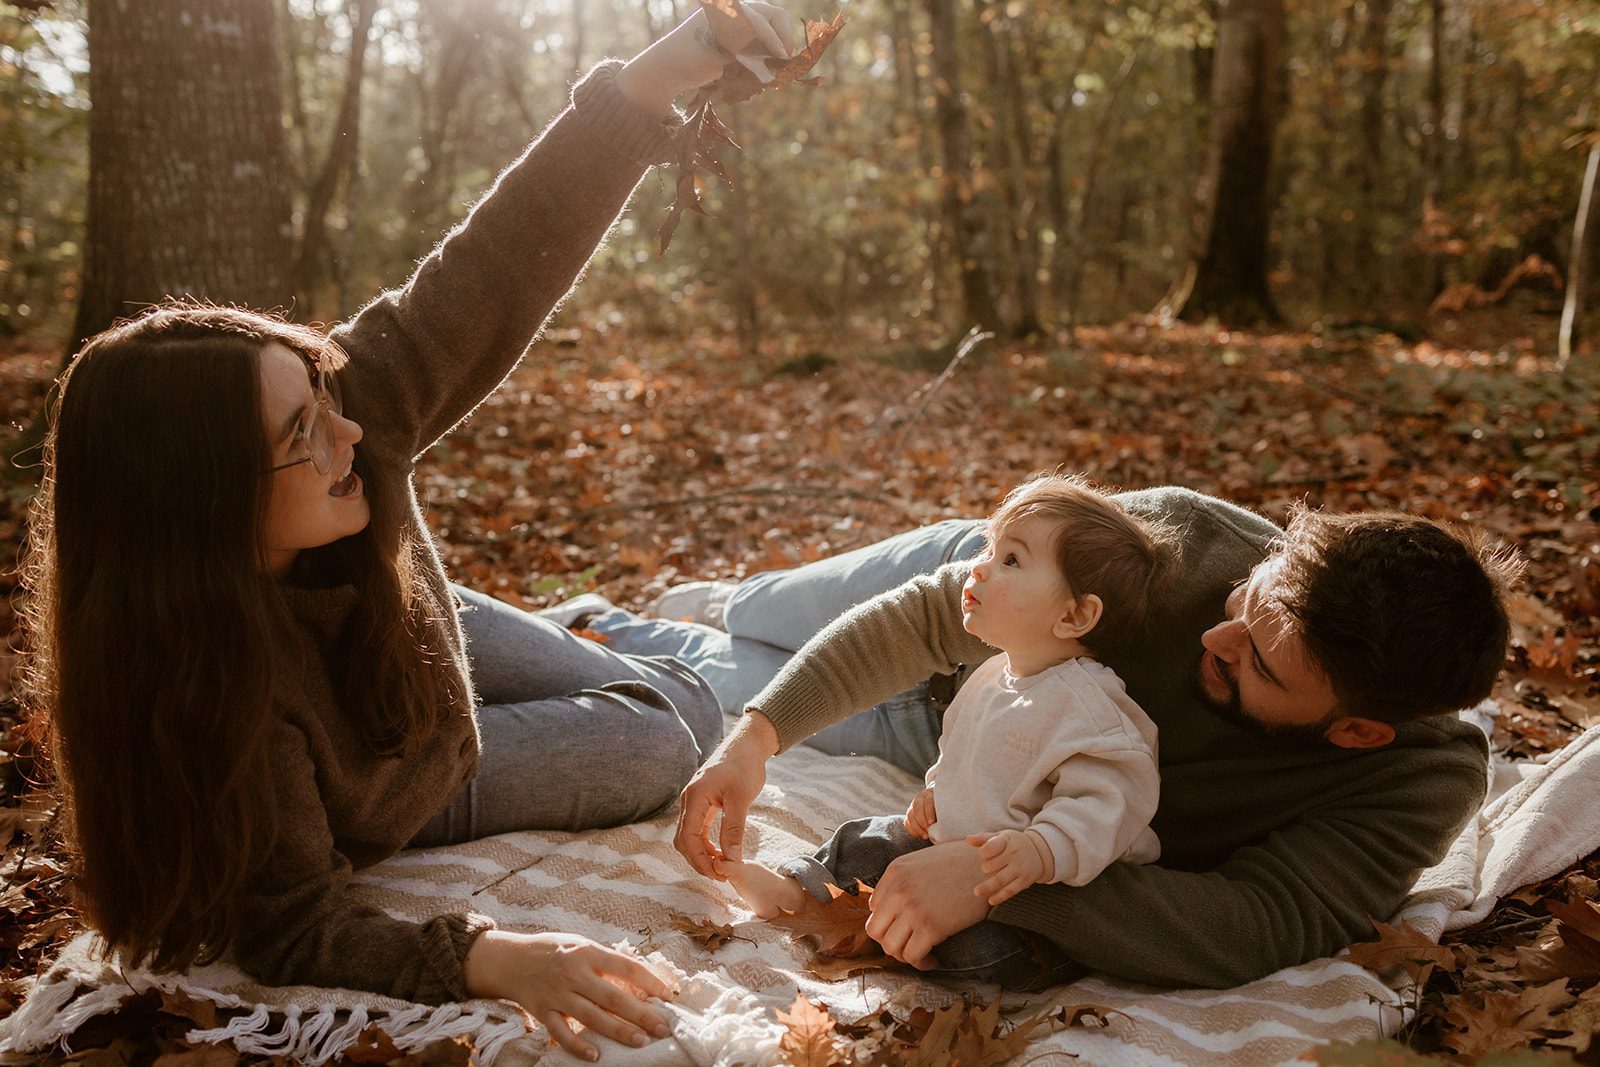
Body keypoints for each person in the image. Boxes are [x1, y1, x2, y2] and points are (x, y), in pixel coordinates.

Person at [19, 8, 793, 1062]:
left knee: (695, 677)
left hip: (411, 637)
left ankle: (631, 626)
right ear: (203, 508)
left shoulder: (348, 420)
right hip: (402, 762)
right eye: (305, 430)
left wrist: (669, 67)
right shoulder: (217, 704)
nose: (352, 431)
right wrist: (489, 953)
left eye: (324, 391)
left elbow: (496, 261)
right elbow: (295, 923)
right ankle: (668, 638)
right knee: (671, 723)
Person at [572, 484, 1518, 988]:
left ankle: (603, 621)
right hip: (970, 594)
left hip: (957, 737)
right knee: (765, 610)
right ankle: (703, 600)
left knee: (687, 666)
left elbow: (1258, 919)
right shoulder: (1189, 543)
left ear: (1355, 729)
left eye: (1259, 664)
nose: (1215, 638)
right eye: (1245, 604)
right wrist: (757, 739)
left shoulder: (1414, 783)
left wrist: (996, 877)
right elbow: (928, 620)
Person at [712, 475, 1177, 988]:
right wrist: (935, 793)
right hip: (946, 851)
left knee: (996, 948)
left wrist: (1040, 849)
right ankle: (801, 890)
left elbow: (1109, 805)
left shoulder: (1093, 712)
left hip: (1032, 889)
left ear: (1074, 615)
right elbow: (963, 754)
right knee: (870, 839)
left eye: (1011, 561)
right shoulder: (991, 674)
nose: (978, 565)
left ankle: (893, 933)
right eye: (990, 549)